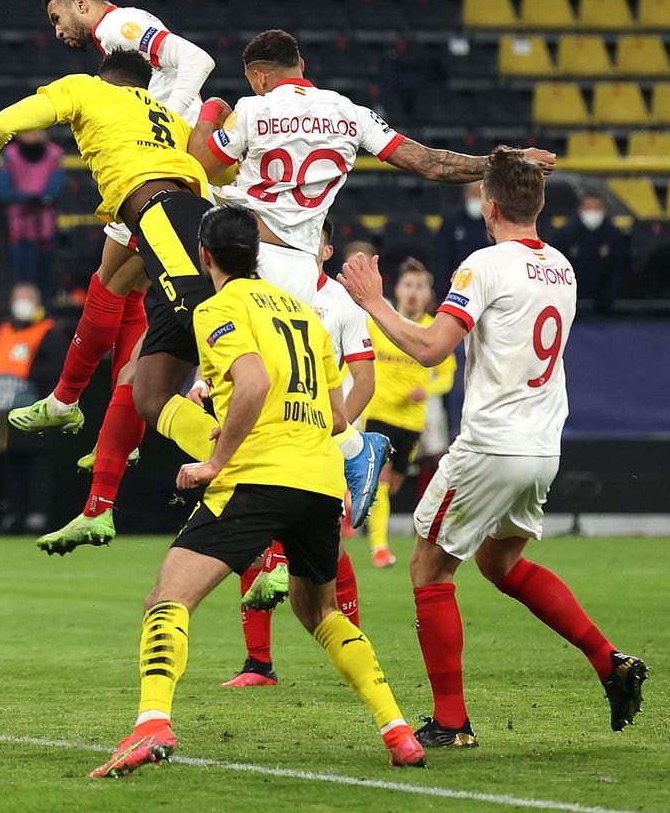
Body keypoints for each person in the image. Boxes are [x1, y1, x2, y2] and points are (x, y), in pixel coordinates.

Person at [187, 29, 558, 581]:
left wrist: (211, 110)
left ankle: (317, 472)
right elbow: (430, 163)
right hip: (298, 264)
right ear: (302, 65)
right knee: (285, 392)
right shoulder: (348, 113)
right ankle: (338, 460)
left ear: (259, 76)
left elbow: (201, 162)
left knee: (230, 375)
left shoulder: (250, 109)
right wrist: (501, 163)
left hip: (251, 256)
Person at [90, 205, 424, 777]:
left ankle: (151, 723)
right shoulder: (301, 312)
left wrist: (214, 460)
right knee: (319, 610)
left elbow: (255, 380)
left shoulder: (217, 309)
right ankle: (398, 731)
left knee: (167, 598)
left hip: (258, 475)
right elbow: (339, 411)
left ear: (204, 256)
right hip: (318, 478)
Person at [339, 148, 647, 751]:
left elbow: (430, 348)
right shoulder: (562, 266)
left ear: (490, 205)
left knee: (428, 568)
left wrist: (373, 302)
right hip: (542, 445)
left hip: (490, 446)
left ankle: (451, 723)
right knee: (499, 564)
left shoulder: (483, 265)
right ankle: (609, 662)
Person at [16, 0, 215, 554]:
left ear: (81, 3)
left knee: (198, 323)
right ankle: (84, 427)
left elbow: (197, 61)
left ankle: (337, 451)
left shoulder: (117, 24)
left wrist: (160, 120)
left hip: (163, 172)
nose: (58, 32)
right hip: (161, 171)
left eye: (57, 19)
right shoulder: (114, 44)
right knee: (115, 290)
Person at [224, 219, 377, 688]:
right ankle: (258, 664)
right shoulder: (263, 295)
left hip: (321, 440)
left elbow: (365, 380)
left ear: (325, 249)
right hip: (268, 431)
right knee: (253, 536)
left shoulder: (342, 303)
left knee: (320, 544)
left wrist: (336, 433)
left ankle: (352, 641)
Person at [362, 259, 456, 569]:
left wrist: (426, 391)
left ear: (429, 294)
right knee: (383, 481)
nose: (414, 293)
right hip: (379, 414)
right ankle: (379, 547)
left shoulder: (434, 329)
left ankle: (353, 495)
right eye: (409, 285)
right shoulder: (378, 324)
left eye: (420, 286)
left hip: (412, 421)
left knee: (395, 483)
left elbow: (447, 376)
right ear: (398, 290)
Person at [0, 283, 69, 532]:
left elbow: (57, 369)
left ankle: (36, 513)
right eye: (18, 298)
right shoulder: (5, 330)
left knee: (37, 462)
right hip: (4, 413)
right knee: (8, 463)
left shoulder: (49, 332)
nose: (21, 304)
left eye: (27, 299)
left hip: (36, 410)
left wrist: (29, 377)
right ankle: (12, 512)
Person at [0, 130, 65, 301]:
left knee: (45, 280)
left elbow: (54, 191)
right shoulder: (9, 154)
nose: (32, 135)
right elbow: (2, 191)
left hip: (45, 229)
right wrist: (36, 197)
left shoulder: (54, 153)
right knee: (19, 278)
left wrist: (23, 197)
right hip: (17, 228)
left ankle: (44, 318)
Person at [552, 191, 628, 314]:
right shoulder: (564, 234)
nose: (592, 212)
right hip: (571, 305)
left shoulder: (615, 236)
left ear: (605, 210)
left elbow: (618, 269)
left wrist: (608, 298)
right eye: (588, 208)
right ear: (579, 210)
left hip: (606, 307)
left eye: (597, 208)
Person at [433, 184, 491, 283]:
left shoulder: (493, 222)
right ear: (465, 194)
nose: (476, 198)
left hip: (486, 282)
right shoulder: (451, 221)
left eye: (479, 194)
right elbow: (442, 259)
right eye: (472, 193)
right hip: (456, 283)